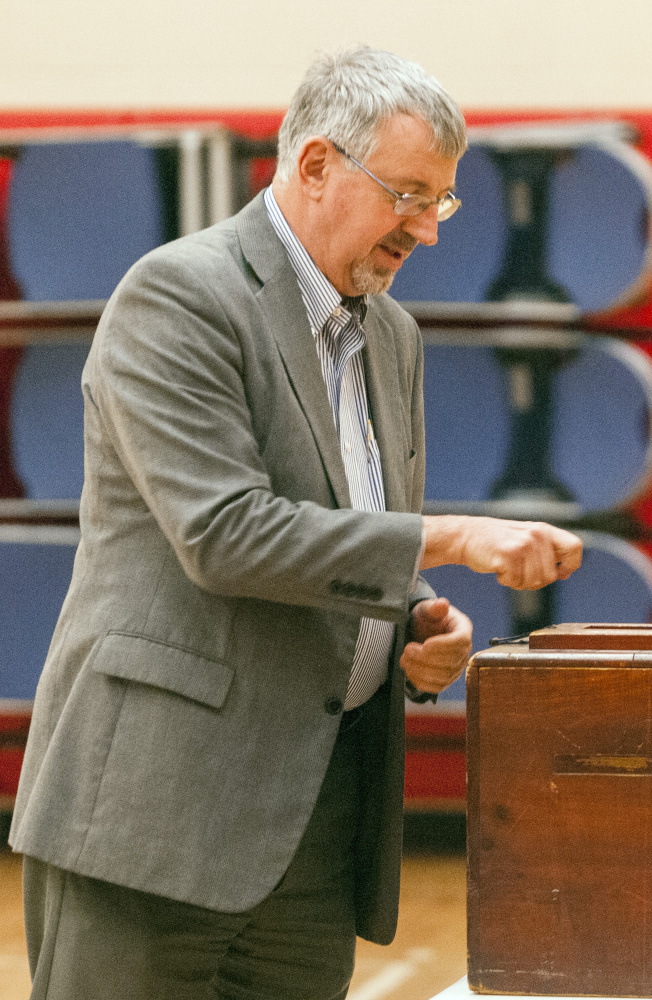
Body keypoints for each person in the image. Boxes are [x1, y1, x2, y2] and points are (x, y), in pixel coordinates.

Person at [9, 46, 582, 999]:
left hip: (314, 824)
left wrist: (417, 616)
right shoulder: (180, 295)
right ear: (315, 166)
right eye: (406, 193)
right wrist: (443, 540)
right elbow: (225, 533)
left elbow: (356, 522)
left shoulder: (392, 332)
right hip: (155, 819)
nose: (426, 231)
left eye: (439, 202)